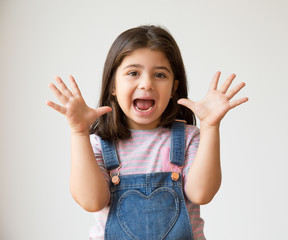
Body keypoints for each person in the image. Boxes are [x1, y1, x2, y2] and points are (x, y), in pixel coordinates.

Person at [46, 25, 248, 240]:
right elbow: (91, 201)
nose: (146, 84)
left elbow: (202, 193)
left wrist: (210, 127)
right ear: (113, 86)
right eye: (133, 73)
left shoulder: (189, 137)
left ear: (173, 88)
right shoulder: (99, 144)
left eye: (160, 74)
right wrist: (79, 133)